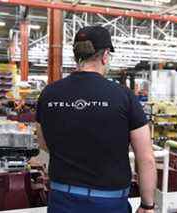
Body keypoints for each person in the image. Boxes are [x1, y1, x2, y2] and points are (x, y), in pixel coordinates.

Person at [36, 26, 157, 213]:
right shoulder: (124, 96)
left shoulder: (49, 94)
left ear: (76, 56)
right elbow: (146, 158)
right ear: (105, 56)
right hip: (108, 203)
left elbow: (43, 144)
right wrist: (147, 205)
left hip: (61, 200)